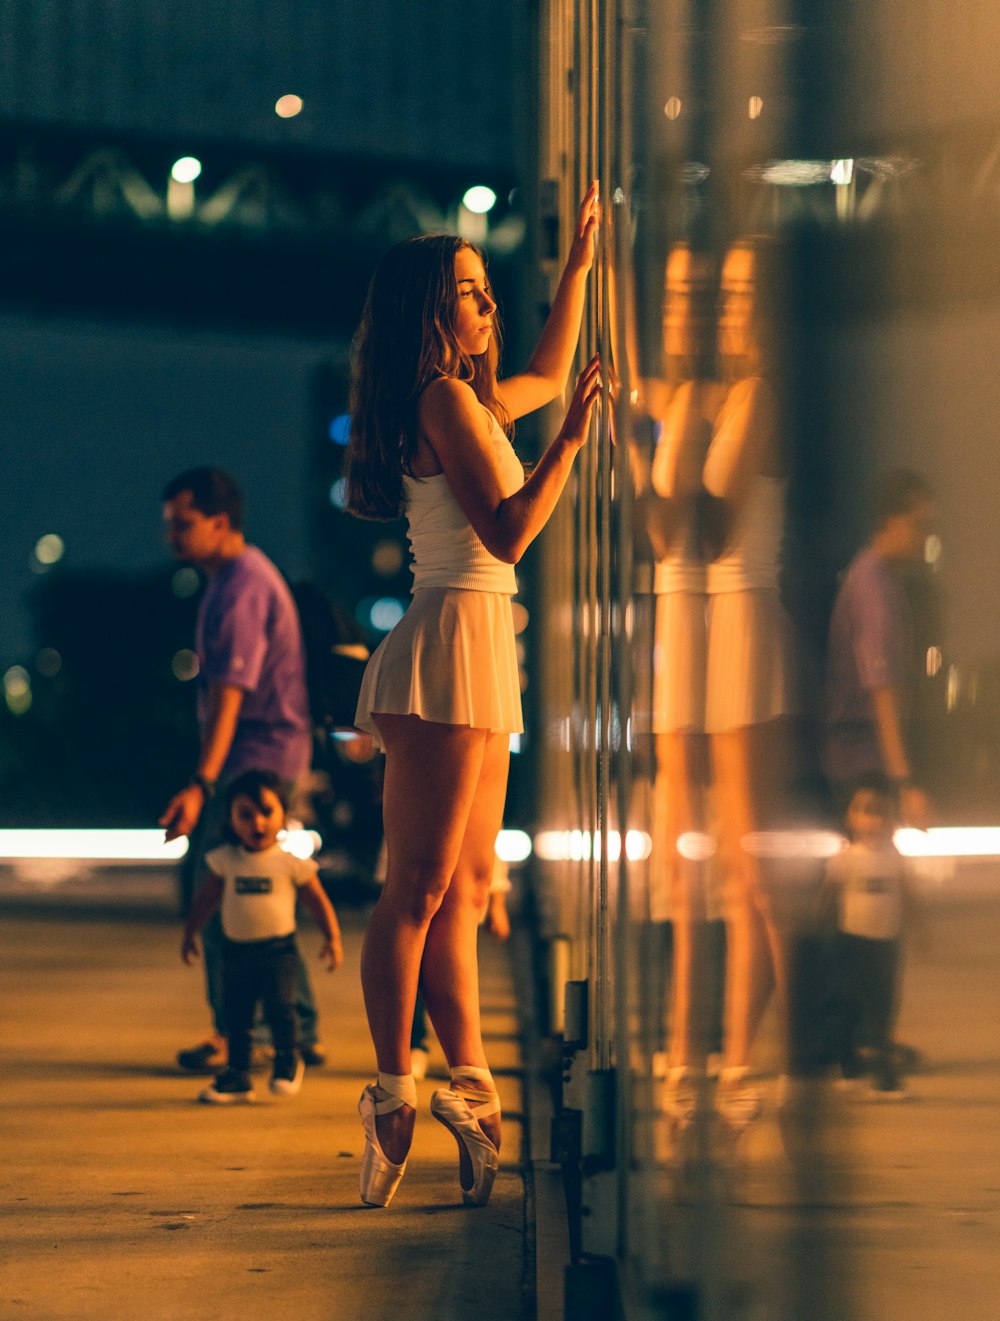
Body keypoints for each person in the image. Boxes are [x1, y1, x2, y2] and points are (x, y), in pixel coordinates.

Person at [345, 183, 600, 1207]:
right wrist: (572, 444)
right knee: (414, 890)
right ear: (428, 313)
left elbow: (543, 367)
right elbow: (505, 535)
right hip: (452, 637)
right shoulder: (443, 402)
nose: (486, 306)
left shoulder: (473, 396)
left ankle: (473, 1084)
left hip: (477, 641)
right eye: (469, 293)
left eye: (489, 291)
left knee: (463, 889)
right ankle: (393, 1092)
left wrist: (577, 268)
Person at [160, 466, 326, 1072]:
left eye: (183, 524)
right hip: (266, 755)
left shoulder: (240, 589)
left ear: (220, 521)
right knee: (264, 894)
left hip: (256, 762)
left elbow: (230, 695)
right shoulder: (236, 579)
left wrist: (202, 785)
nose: (172, 536)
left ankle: (242, 1034)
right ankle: (296, 1028)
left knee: (220, 891)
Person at [700, 239, 796, 1130]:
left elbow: (707, 507)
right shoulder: (735, 393)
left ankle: (764, 1057)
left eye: (740, 295)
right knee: (738, 866)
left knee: (753, 868)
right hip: (728, 618)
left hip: (743, 616)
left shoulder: (757, 396)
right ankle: (739, 1057)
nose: (726, 311)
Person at [181, 770, 343, 1103]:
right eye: (245, 814)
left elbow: (318, 902)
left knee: (281, 1007)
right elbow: (206, 899)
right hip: (235, 953)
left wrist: (332, 938)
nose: (257, 823)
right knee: (236, 1015)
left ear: (283, 814)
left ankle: (287, 1059)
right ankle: (237, 1076)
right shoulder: (225, 860)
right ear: (230, 819)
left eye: (267, 812)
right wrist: (190, 933)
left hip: (279, 952)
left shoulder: (290, 864)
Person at [825, 468, 936, 827]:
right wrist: (903, 781)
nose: (926, 536)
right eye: (919, 524)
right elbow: (881, 687)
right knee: (873, 876)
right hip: (864, 767)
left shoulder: (874, 578)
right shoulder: (877, 590)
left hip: (858, 762)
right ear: (890, 523)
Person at [820, 776, 916, 1097]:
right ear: (851, 817)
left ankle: (884, 1074)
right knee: (849, 1005)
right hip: (852, 941)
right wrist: (821, 928)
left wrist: (917, 927)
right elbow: (829, 895)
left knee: (883, 1007)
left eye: (881, 812)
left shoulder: (895, 859)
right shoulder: (847, 858)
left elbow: (908, 895)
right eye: (865, 810)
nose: (873, 819)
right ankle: (850, 1068)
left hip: (886, 942)